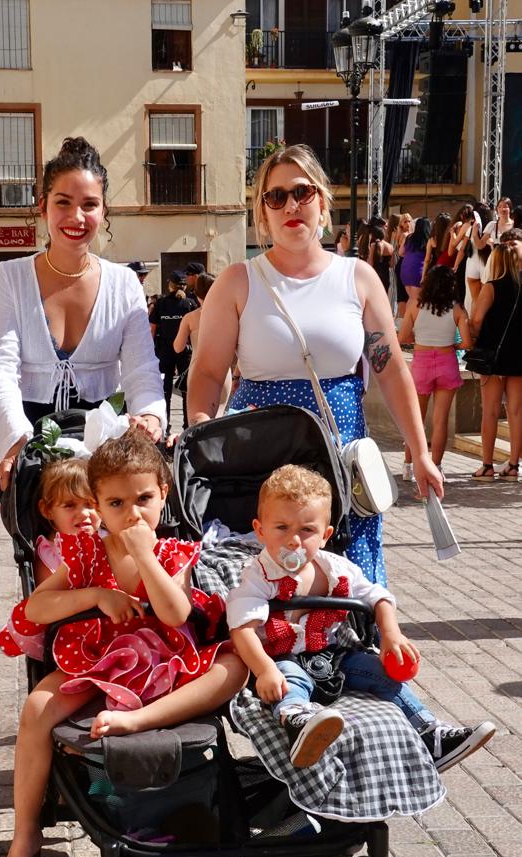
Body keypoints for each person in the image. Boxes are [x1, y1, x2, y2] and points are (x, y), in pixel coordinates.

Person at [0, 429, 248, 857]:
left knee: (233, 666)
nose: (132, 513)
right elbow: (35, 609)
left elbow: (176, 613)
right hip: (100, 660)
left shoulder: (173, 551)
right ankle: (26, 831)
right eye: (116, 504)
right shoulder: (86, 551)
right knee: (35, 709)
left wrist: (143, 554)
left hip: (166, 662)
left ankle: (140, 719)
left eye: (143, 499)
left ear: (164, 494)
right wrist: (96, 594)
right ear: (97, 502)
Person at [187, 143, 443, 585]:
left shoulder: (357, 277)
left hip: (341, 455)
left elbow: (391, 369)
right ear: (262, 213)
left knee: (348, 583)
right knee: (266, 588)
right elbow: (209, 372)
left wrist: (420, 453)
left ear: (322, 203)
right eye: (276, 196)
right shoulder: (237, 282)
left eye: (302, 192)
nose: (290, 205)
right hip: (260, 457)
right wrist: (200, 437)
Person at [227, 465, 495, 769]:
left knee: (378, 671)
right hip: (281, 656)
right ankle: (298, 723)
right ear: (260, 530)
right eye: (281, 528)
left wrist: (391, 633)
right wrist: (263, 670)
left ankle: (429, 733)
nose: (294, 541)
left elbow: (377, 596)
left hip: (334, 653)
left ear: (326, 535)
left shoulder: (334, 567)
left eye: (307, 530)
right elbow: (242, 629)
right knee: (291, 679)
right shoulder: (257, 576)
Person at [0, 137, 167, 491]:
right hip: (25, 435)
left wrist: (150, 414)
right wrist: (16, 443)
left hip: (103, 440)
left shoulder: (125, 284)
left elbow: (141, 368)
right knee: (35, 545)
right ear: (43, 207)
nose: (76, 217)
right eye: (63, 202)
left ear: (104, 211)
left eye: (89, 204)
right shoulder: (10, 277)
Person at [397, 266, 471, 481]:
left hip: (421, 361)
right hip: (447, 361)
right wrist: (452, 346)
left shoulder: (415, 305)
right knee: (441, 420)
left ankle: (408, 466)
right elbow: (467, 342)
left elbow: (402, 337)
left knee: (416, 419)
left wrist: (419, 340)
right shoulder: (457, 309)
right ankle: (437, 466)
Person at [468, 229, 522, 480]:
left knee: (490, 411)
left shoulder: (491, 287)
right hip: (518, 355)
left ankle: (487, 465)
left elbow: (477, 319)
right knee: (516, 411)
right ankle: (513, 465)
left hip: (492, 355)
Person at [33, 457, 101, 583]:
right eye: (69, 505)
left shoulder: (107, 540)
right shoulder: (51, 554)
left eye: (90, 504)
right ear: (48, 510)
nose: (84, 513)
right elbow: (48, 599)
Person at [149, 271, 195, 428]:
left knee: (164, 390)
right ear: (184, 286)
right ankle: (187, 425)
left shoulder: (161, 304)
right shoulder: (190, 304)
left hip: (164, 352)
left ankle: (165, 424)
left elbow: (152, 331)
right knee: (186, 391)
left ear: (170, 285)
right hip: (186, 352)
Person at [173, 272, 217, 424]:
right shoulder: (228, 315)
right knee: (220, 419)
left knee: (197, 422)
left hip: (198, 369)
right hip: (223, 371)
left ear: (196, 293)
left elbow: (177, 347)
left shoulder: (190, 318)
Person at [400, 216, 431, 302]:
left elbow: (400, 252)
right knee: (418, 301)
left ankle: (409, 315)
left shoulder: (409, 237)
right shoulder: (428, 239)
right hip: (418, 271)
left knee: (411, 299)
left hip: (405, 271)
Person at [358, 218, 392, 292]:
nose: (386, 229)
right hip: (384, 275)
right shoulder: (389, 246)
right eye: (385, 227)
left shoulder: (363, 239)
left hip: (368, 274)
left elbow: (367, 260)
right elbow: (392, 264)